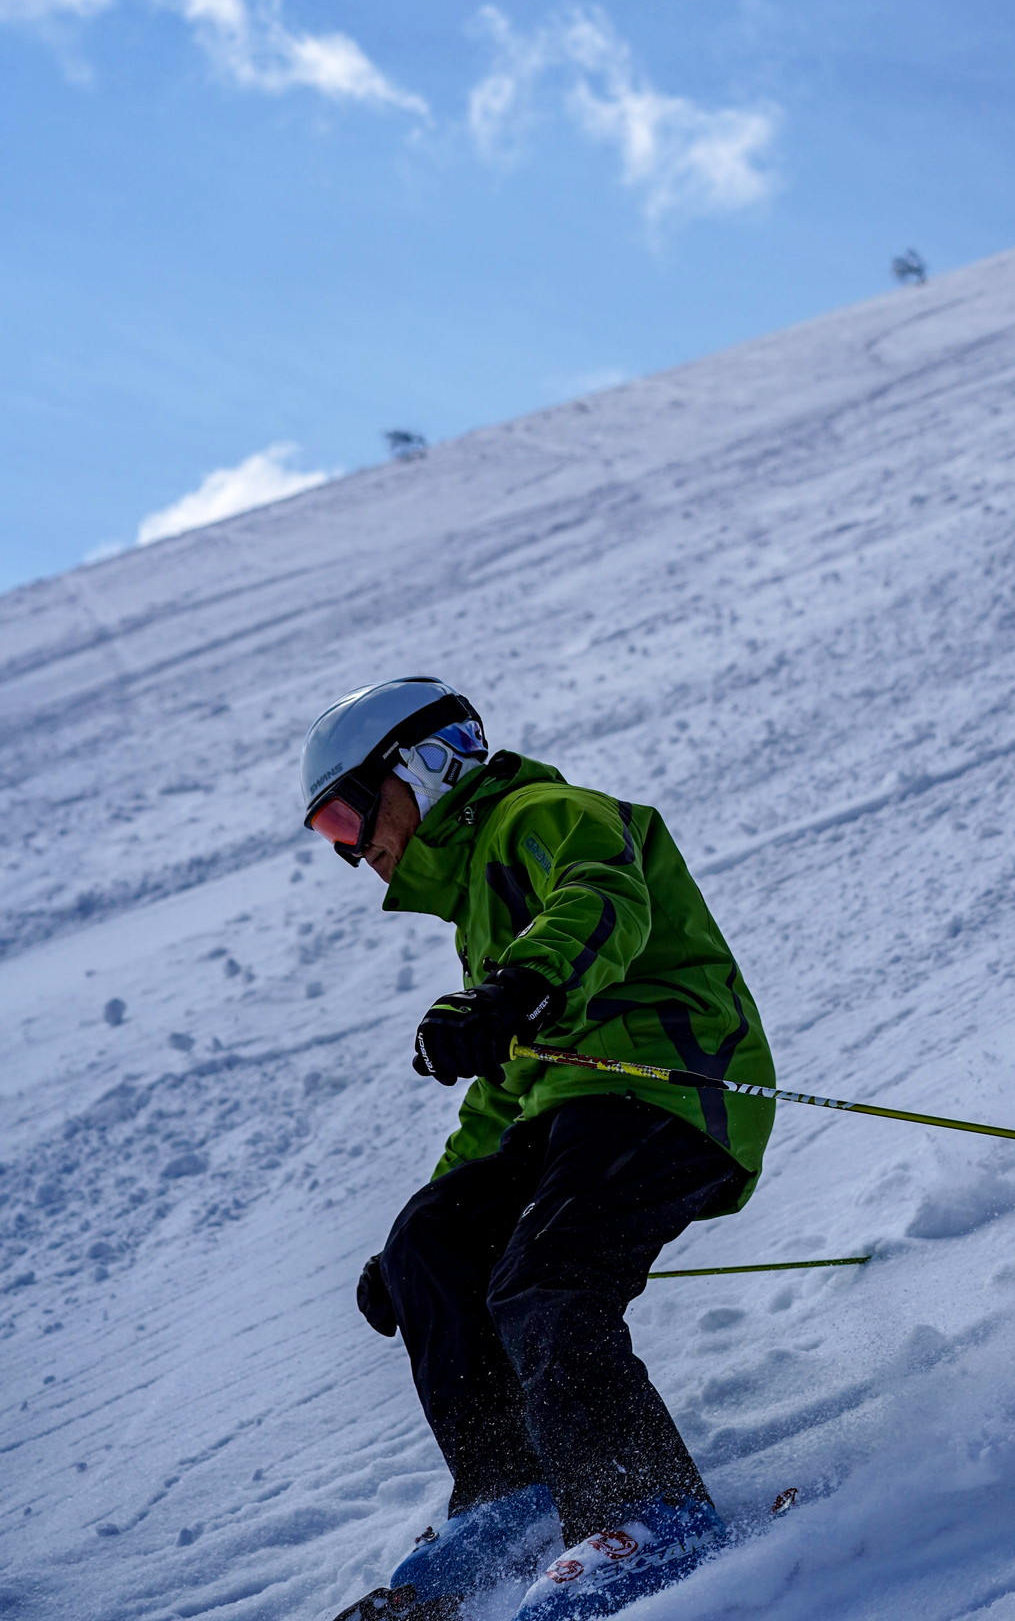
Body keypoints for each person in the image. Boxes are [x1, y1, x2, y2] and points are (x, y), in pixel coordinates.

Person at [301, 678, 774, 1621]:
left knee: (546, 1273)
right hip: (569, 1106)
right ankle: (515, 1490)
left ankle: (649, 1510)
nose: (355, 852)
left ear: (425, 767)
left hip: (665, 1088)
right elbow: (503, 1093)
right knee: (433, 1241)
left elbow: (604, 898)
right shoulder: (478, 897)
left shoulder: (544, 814)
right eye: (331, 838)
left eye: (349, 816)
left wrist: (517, 986)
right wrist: (409, 1250)